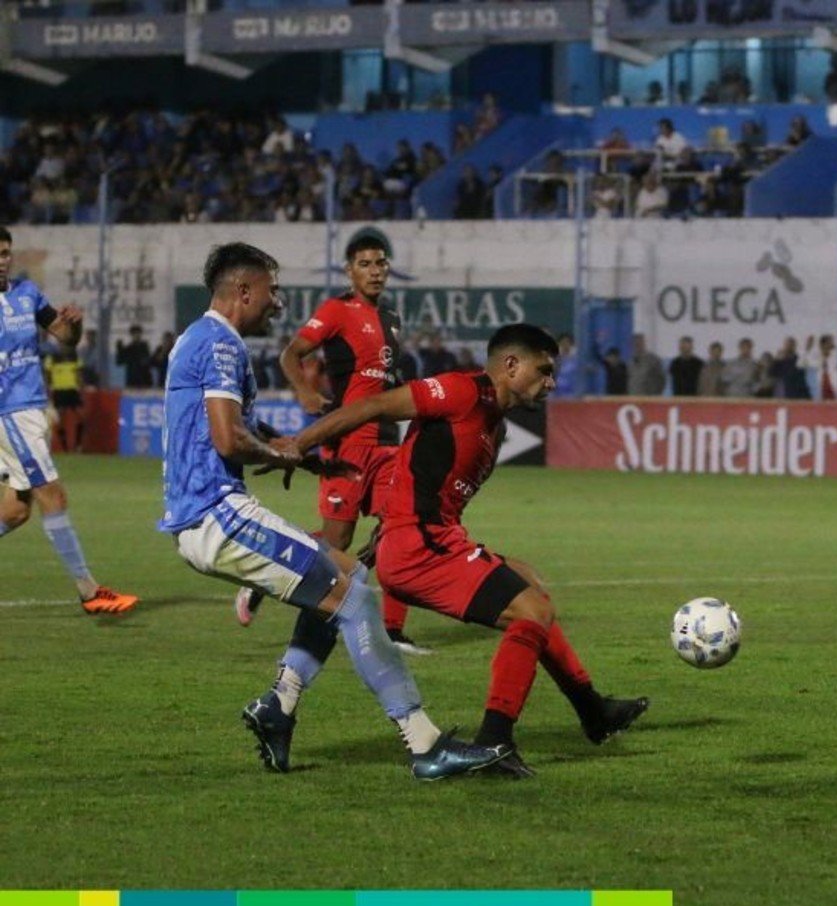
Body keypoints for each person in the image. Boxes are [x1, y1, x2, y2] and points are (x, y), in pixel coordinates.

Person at [162, 242, 504, 780]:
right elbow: (228, 440)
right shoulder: (220, 343)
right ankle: (425, 744)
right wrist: (278, 450)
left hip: (207, 512)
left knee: (351, 575)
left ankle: (280, 705)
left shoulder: (197, 338)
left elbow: (223, 433)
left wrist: (309, 460)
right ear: (243, 290)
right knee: (355, 599)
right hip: (216, 513)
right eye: (272, 294)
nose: (276, 306)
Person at [288, 323, 649, 776]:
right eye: (544, 370)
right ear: (511, 365)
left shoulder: (493, 429)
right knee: (528, 612)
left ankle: (592, 709)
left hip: (431, 539)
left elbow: (429, 487)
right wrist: (298, 444)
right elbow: (376, 405)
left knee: (532, 588)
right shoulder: (460, 392)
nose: (552, 382)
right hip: (420, 546)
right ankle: (496, 741)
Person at [234, 231, 426, 652]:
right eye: (365, 264)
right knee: (335, 542)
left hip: (387, 442)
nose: (375, 271)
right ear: (349, 270)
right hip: (348, 440)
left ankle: (392, 632)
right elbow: (291, 354)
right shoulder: (338, 310)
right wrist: (303, 390)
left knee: (404, 525)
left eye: (380, 263)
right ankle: (265, 568)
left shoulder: (391, 317)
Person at [0, 228, 137, 614]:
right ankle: (89, 591)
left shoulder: (27, 294)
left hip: (29, 410)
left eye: (6, 252)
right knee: (54, 496)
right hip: (10, 414)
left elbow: (64, 338)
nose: (2, 260)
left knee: (15, 510)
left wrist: (72, 324)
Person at [44, 342, 85, 453]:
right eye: (62, 344)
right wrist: (49, 389)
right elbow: (47, 374)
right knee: (60, 419)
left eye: (66, 344)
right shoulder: (52, 358)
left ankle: (78, 446)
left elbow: (79, 374)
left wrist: (81, 389)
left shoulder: (75, 357)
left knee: (81, 416)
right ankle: (65, 448)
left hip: (72, 390)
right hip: (59, 391)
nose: (64, 347)